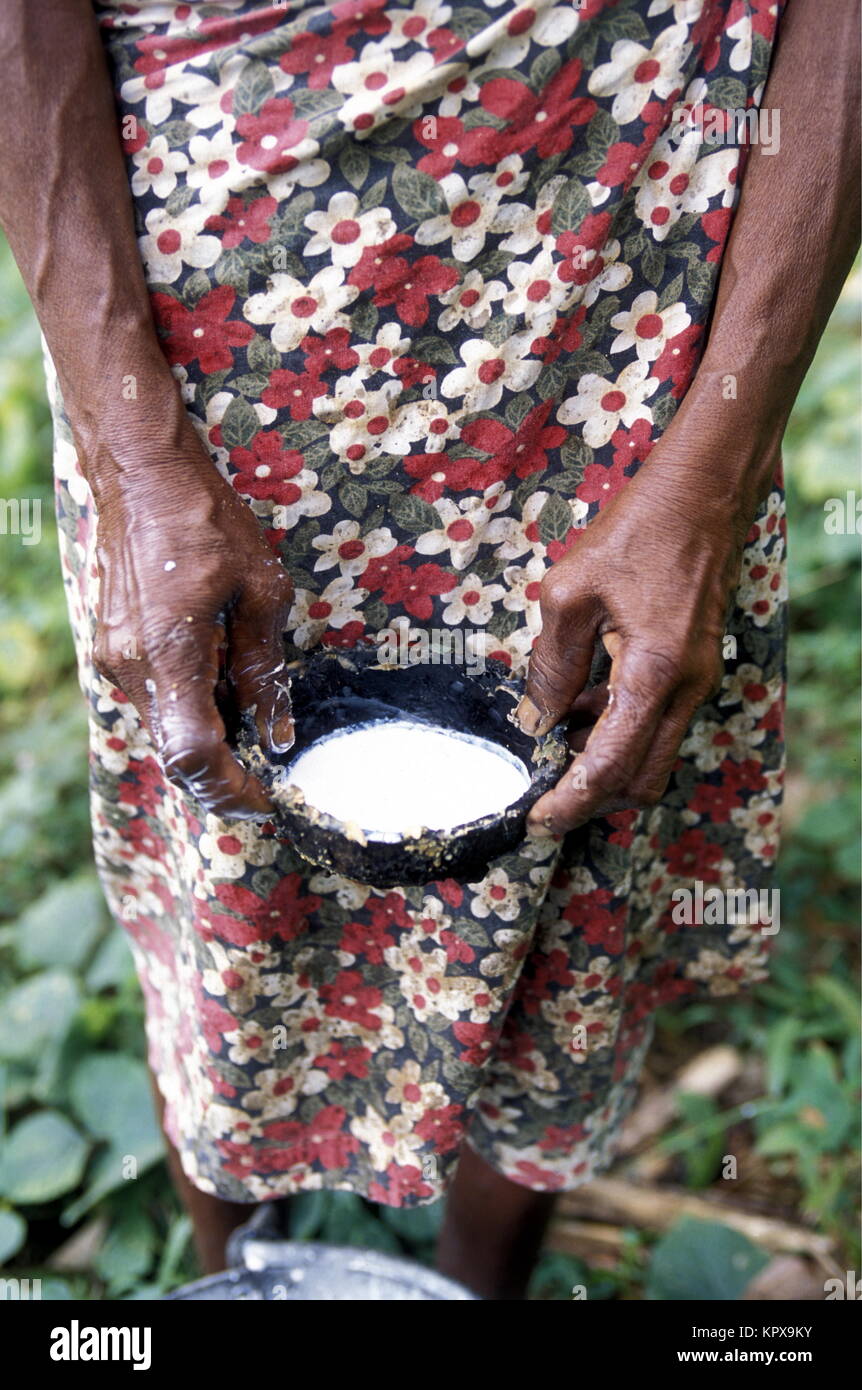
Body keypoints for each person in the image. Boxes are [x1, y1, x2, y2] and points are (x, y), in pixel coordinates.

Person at [1, 0, 857, 1300]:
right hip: (229, 324)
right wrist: (136, 451)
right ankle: (242, 1282)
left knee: (581, 833)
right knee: (230, 856)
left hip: (634, 301)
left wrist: (718, 459)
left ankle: (476, 1289)